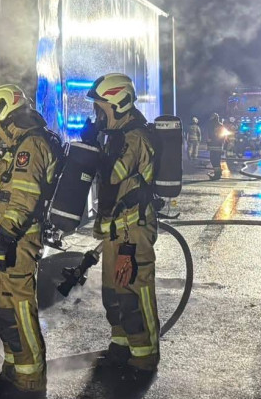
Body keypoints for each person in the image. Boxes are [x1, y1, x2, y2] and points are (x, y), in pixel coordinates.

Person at [0, 84, 61, 396]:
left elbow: (24, 198)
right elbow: (2, 178)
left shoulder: (31, 145)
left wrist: (5, 238)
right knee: (4, 305)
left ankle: (31, 379)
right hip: (9, 239)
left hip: (19, 241)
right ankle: (15, 365)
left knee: (21, 306)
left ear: (6, 117)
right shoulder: (20, 145)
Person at [88, 73, 160, 377]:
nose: (97, 114)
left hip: (134, 228)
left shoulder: (134, 137)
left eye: (101, 108)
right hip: (116, 228)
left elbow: (114, 174)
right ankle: (121, 345)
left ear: (118, 104)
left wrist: (91, 149)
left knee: (133, 292)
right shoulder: (117, 136)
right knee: (113, 292)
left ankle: (144, 356)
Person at [207, 113, 227, 180]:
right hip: (218, 145)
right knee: (216, 160)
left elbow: (211, 136)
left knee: (214, 160)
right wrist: (222, 146)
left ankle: (217, 174)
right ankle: (218, 173)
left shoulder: (212, 126)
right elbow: (224, 136)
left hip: (214, 145)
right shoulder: (221, 125)